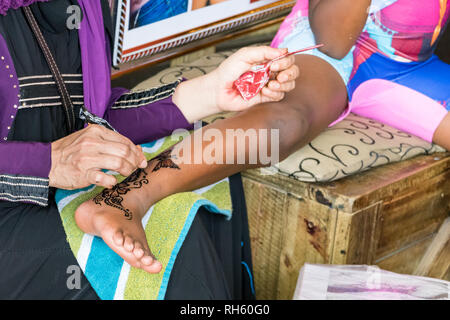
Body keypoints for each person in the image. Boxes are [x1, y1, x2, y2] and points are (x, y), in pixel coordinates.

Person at [75, 0, 450, 276]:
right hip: (327, 48)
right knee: (285, 122)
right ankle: (125, 199)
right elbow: (334, 40)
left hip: (407, 65)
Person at [0, 0, 298, 299]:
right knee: (163, 250)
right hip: (12, 218)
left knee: (197, 186)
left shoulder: (84, 6)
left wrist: (212, 91)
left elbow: (94, 117)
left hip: (67, 193)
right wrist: (49, 162)